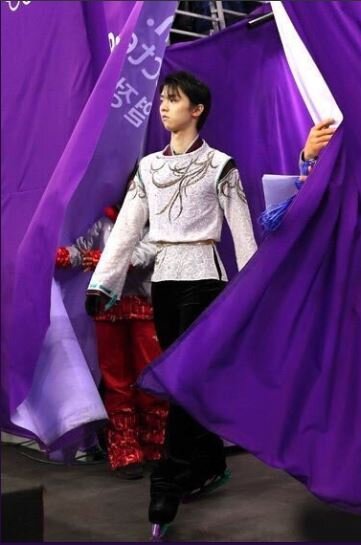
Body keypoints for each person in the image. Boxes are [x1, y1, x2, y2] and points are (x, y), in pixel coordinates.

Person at [85, 71, 258, 537]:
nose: (163, 106)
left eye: (173, 99)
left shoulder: (221, 165)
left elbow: (242, 232)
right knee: (186, 380)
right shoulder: (147, 168)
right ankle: (209, 461)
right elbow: (127, 228)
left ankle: (166, 481)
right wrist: (103, 284)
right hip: (162, 283)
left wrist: (253, 291)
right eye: (162, 98)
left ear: (196, 110)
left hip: (205, 279)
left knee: (182, 377)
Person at [56, 194, 168, 480]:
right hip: (107, 308)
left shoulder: (156, 223)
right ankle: (124, 450)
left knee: (150, 378)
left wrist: (101, 259)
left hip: (144, 307)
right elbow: (79, 250)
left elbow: (141, 256)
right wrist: (55, 254)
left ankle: (156, 445)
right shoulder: (103, 223)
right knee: (116, 383)